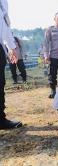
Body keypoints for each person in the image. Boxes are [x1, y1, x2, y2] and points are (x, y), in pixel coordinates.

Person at [0, 0, 22, 129]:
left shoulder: (3, 2)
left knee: (0, 83)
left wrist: (11, 46)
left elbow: (5, 23)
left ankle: (0, 119)